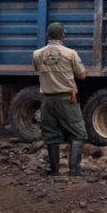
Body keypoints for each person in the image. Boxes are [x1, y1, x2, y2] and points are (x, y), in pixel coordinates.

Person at [32, 22, 88, 176]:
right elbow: (82, 74)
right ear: (63, 36)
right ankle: (74, 170)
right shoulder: (70, 53)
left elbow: (37, 69)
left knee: (51, 134)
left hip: (47, 100)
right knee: (78, 133)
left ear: (47, 36)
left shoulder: (37, 54)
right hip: (67, 99)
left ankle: (54, 170)